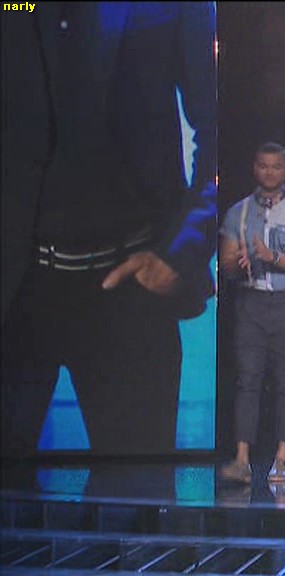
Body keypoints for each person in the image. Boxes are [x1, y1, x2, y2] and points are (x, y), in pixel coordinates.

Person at [1, 2, 217, 457]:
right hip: (15, 287)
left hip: (131, 288)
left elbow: (222, 124)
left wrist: (181, 250)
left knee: (138, 490)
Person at [218, 142, 285, 484]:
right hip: (251, 303)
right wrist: (240, 262)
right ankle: (242, 460)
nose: (269, 172)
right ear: (255, 168)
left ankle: (282, 457)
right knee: (247, 381)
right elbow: (226, 265)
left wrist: (272, 257)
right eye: (263, 165)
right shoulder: (238, 212)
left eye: (276, 166)